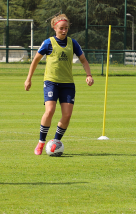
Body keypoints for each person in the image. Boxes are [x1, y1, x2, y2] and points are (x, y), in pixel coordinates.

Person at [25, 14, 94, 155]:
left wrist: (89, 75)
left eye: (66, 28)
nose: (64, 31)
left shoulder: (73, 43)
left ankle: (55, 142)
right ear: (54, 28)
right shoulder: (48, 43)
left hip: (68, 84)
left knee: (67, 115)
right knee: (50, 111)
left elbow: (84, 60)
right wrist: (29, 79)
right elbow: (35, 61)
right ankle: (41, 142)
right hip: (51, 82)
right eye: (61, 28)